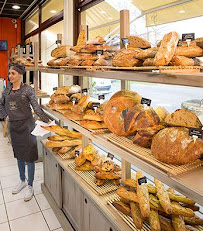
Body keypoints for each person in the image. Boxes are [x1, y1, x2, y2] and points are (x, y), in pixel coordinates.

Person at [0, 62, 49, 201]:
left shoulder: (27, 90)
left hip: (27, 126)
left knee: (29, 157)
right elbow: (0, 105)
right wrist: (5, 115)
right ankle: (22, 181)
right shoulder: (6, 91)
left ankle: (30, 185)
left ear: (20, 75)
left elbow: (37, 108)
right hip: (14, 128)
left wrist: (47, 121)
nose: (10, 76)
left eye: (13, 73)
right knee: (19, 155)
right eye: (9, 73)